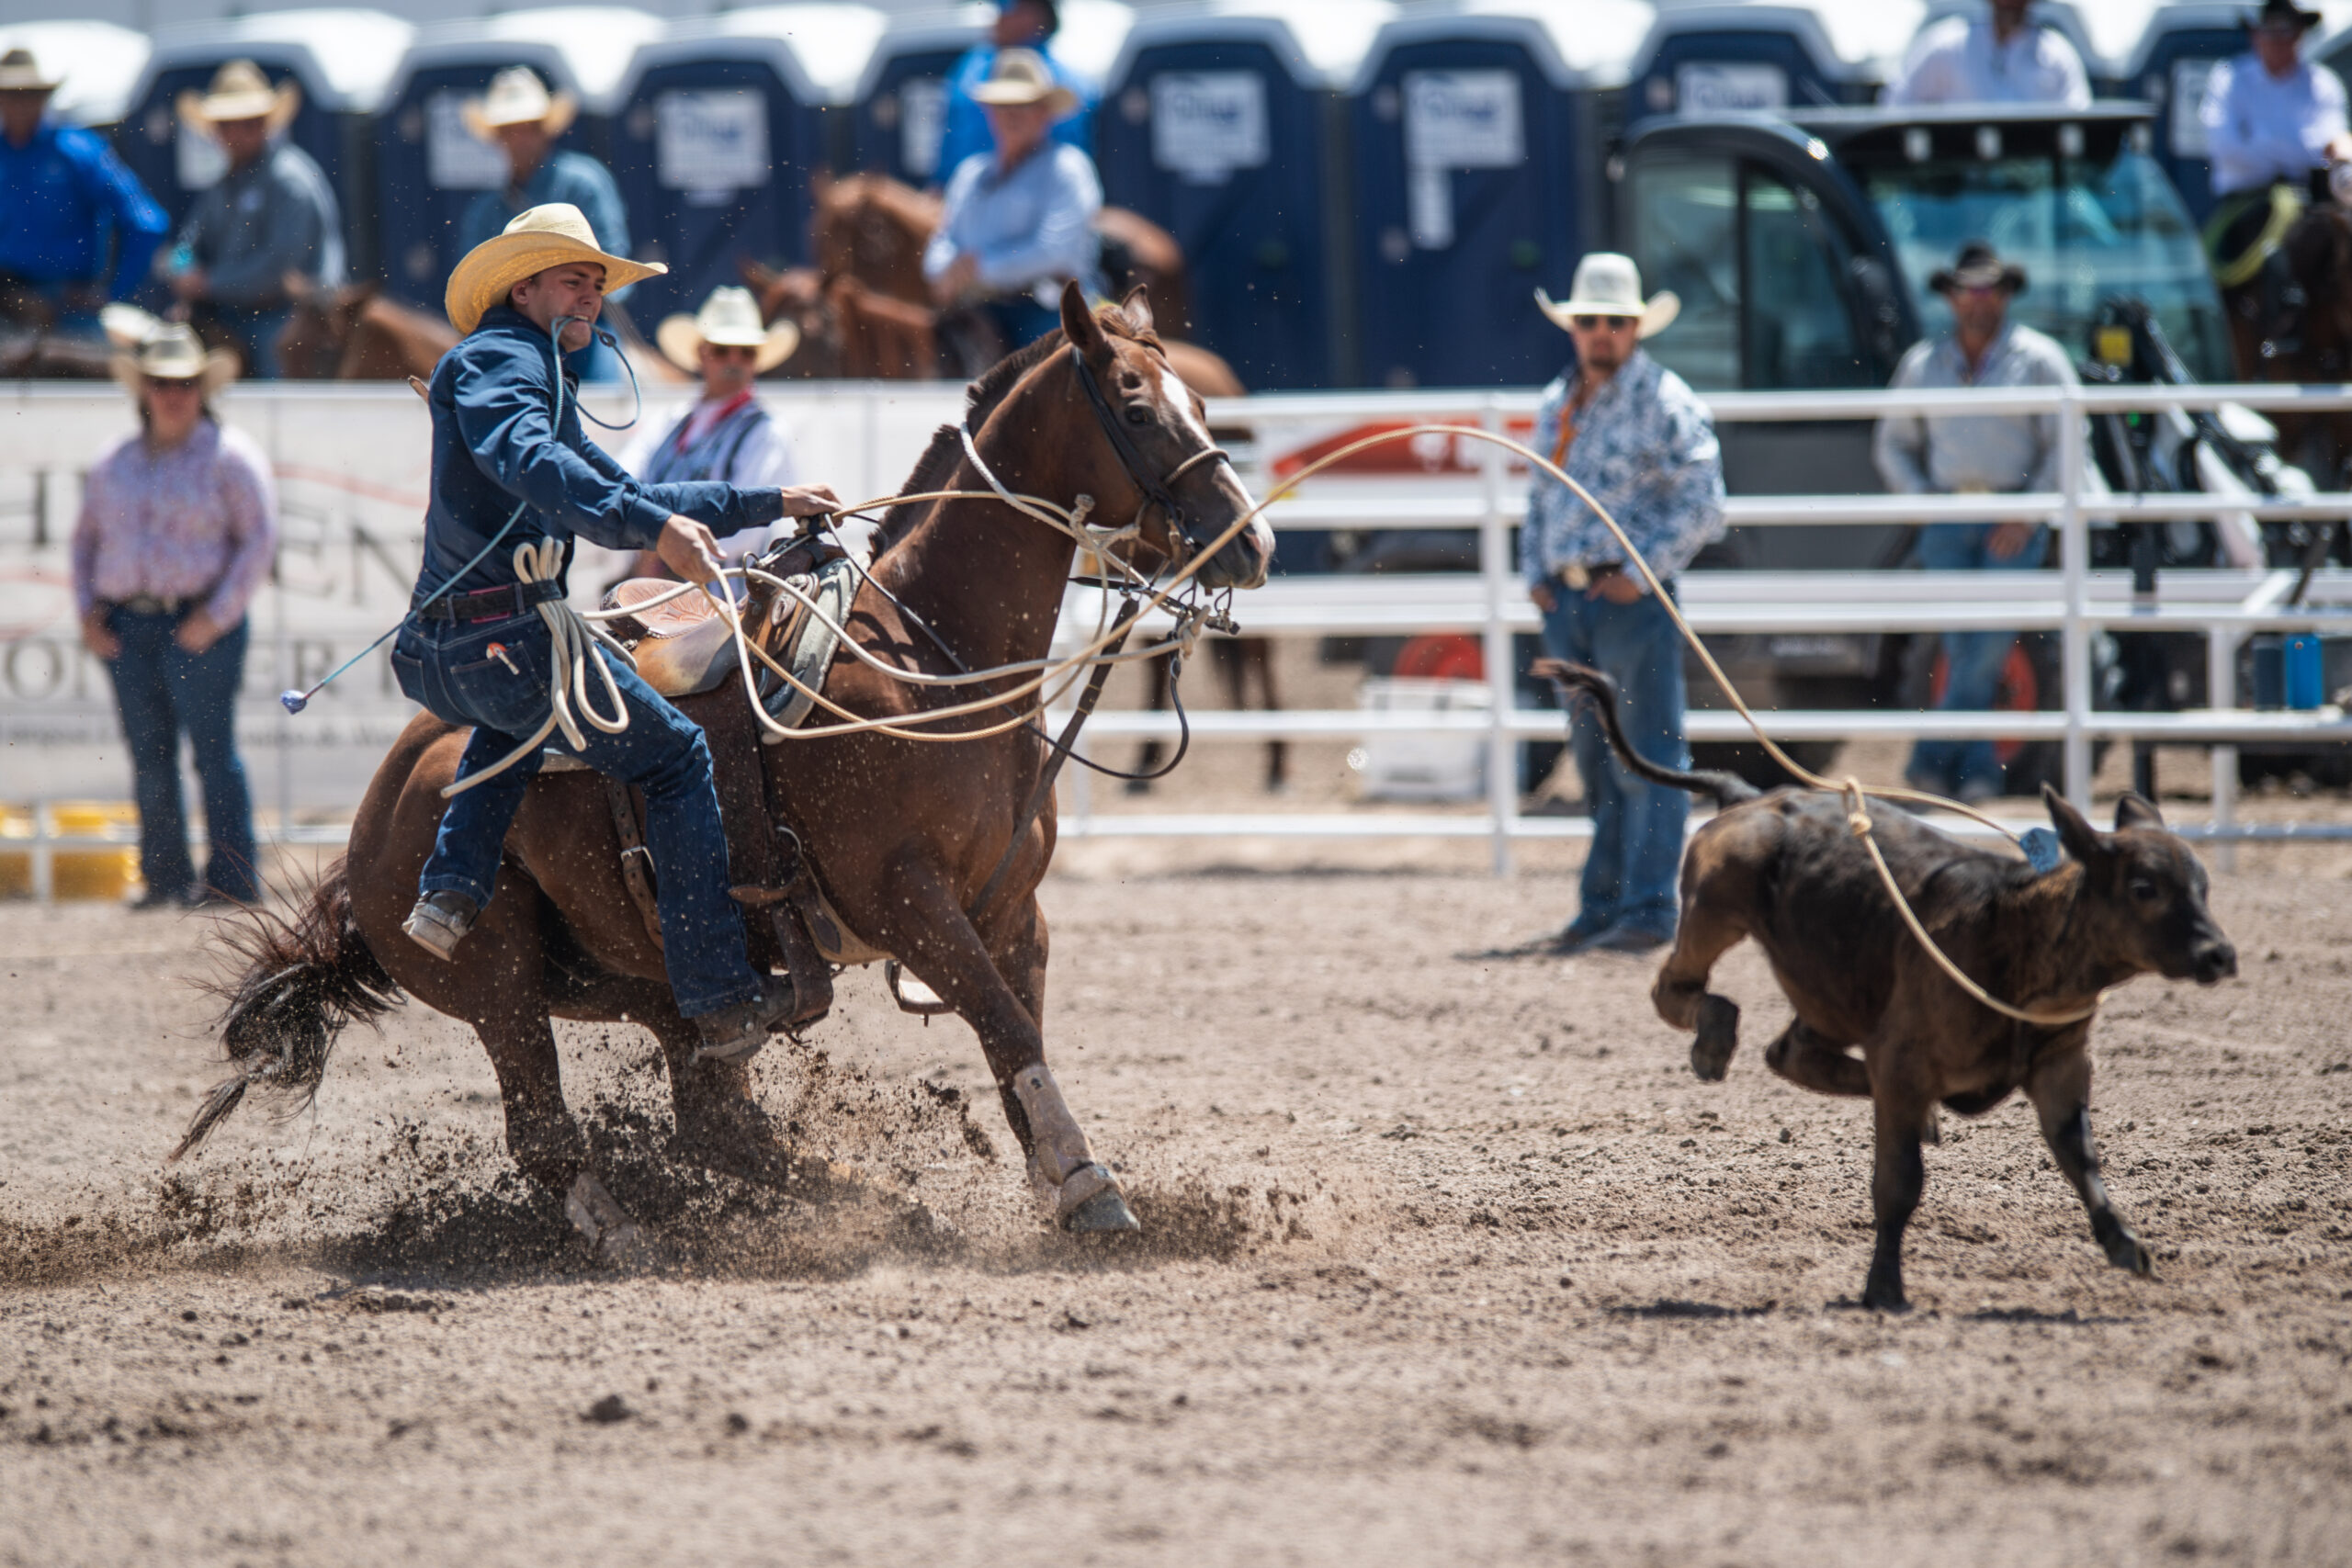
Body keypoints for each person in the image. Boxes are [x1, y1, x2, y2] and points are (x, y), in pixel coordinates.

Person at [396, 204, 840, 1058]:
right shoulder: (500, 361)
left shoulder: (527, 371)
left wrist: (768, 503)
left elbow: (627, 492)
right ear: (523, 289)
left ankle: (451, 887)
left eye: (597, 285)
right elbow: (537, 462)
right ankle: (718, 992)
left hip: (463, 646)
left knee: (521, 720)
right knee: (674, 757)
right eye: (574, 280)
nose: (591, 298)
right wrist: (659, 531)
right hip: (500, 640)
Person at [1522, 254, 1725, 956]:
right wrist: (1536, 574)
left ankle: (1647, 906)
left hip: (1628, 600)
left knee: (1647, 753)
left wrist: (1640, 575)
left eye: (1613, 320)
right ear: (1573, 327)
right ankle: (1604, 904)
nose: (1600, 331)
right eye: (1589, 320)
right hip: (1570, 599)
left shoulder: (1665, 402)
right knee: (1596, 756)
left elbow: (1704, 505)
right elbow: (1539, 495)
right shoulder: (1559, 401)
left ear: (1636, 328)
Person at [72, 324, 274, 908]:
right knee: (149, 754)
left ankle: (231, 880)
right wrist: (88, 614)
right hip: (127, 624)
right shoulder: (115, 461)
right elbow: (84, 541)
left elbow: (258, 541)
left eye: (184, 383)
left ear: (201, 389)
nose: (173, 394)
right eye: (162, 383)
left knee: (213, 753)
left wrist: (216, 615)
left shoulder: (229, 457)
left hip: (199, 621)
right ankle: (164, 877)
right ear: (145, 389)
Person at [1873, 240, 2079, 804]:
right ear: (1951, 297)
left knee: (1985, 642)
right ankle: (1977, 769)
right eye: (1968, 291)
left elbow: (2068, 443)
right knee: (1963, 640)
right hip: (1947, 514)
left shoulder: (2039, 359)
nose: (1979, 301)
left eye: (1990, 290)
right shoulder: (1923, 363)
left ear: (2006, 295)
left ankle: (1931, 760)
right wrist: (1923, 500)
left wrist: (2027, 512)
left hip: (2011, 515)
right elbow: (1892, 444)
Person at [159, 61, 345, 379]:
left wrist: (207, 284)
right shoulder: (222, 184)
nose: (234, 134)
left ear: (264, 125)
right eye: (225, 125)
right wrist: (181, 268)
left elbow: (280, 270)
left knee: (278, 361)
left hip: (289, 315)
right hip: (231, 312)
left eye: (247, 124)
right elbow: (188, 243)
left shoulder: (290, 181)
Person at [923, 49, 1104, 357]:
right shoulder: (971, 173)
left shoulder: (1067, 168)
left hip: (1044, 308)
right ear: (990, 113)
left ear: (1045, 113)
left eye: (1024, 105)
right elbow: (944, 238)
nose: (1011, 115)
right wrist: (942, 269)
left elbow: (1054, 251)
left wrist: (977, 269)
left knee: (1055, 368)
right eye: (1003, 106)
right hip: (974, 309)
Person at [457, 68, 631, 382]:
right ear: (497, 137)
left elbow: (613, 257)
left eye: (530, 127)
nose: (521, 138)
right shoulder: (483, 211)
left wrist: (569, 298)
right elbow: (475, 287)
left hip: (584, 331)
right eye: (510, 129)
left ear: (546, 130)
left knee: (604, 396)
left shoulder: (584, 183)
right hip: (513, 337)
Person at [617, 285, 804, 572]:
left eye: (746, 352)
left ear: (756, 362)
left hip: (721, 592)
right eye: (721, 350)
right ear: (701, 353)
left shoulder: (767, 432)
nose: (734, 361)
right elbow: (622, 479)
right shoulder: (670, 420)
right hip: (653, 576)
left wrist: (655, 537)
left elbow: (747, 532)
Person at [0, 47, 169, 333]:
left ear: (44, 98)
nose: (20, 104)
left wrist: (112, 293)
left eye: (30, 94)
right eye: (11, 94)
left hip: (68, 306)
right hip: (6, 303)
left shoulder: (77, 151)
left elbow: (146, 221)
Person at [933, 0, 1097, 186]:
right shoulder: (970, 68)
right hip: (972, 191)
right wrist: (941, 185)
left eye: (1006, 6)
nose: (997, 17)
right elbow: (951, 142)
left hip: (1041, 191)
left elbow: (1067, 157)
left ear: (1036, 13)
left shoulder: (1067, 81)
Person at [1883, 0, 2091, 108]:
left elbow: (2078, 117)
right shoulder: (1947, 46)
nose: (2010, 2)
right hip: (1957, 173)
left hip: (2036, 174)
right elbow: (1897, 104)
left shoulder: (2057, 54)